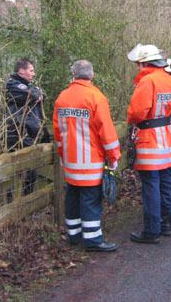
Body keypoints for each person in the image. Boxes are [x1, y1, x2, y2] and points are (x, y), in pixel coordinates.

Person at [53, 60, 121, 252]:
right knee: (90, 201)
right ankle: (93, 240)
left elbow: (58, 131)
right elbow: (106, 132)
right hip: (90, 162)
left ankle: (73, 235)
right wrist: (113, 156)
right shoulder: (96, 97)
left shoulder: (62, 98)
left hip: (70, 161)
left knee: (72, 198)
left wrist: (62, 154)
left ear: (73, 75)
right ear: (91, 76)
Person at [127, 44, 171, 244]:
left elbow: (136, 113)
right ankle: (165, 223)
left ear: (144, 63)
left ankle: (151, 230)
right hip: (167, 137)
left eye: (138, 64)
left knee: (150, 184)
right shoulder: (170, 80)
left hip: (149, 138)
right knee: (166, 180)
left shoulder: (148, 81)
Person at [5, 58, 50, 195]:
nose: (34, 74)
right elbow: (33, 95)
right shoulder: (12, 85)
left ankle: (24, 204)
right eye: (31, 70)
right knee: (22, 173)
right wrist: (37, 94)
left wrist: (38, 93)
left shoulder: (27, 86)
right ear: (21, 71)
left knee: (30, 173)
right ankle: (14, 203)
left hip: (29, 135)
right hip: (18, 135)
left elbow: (41, 93)